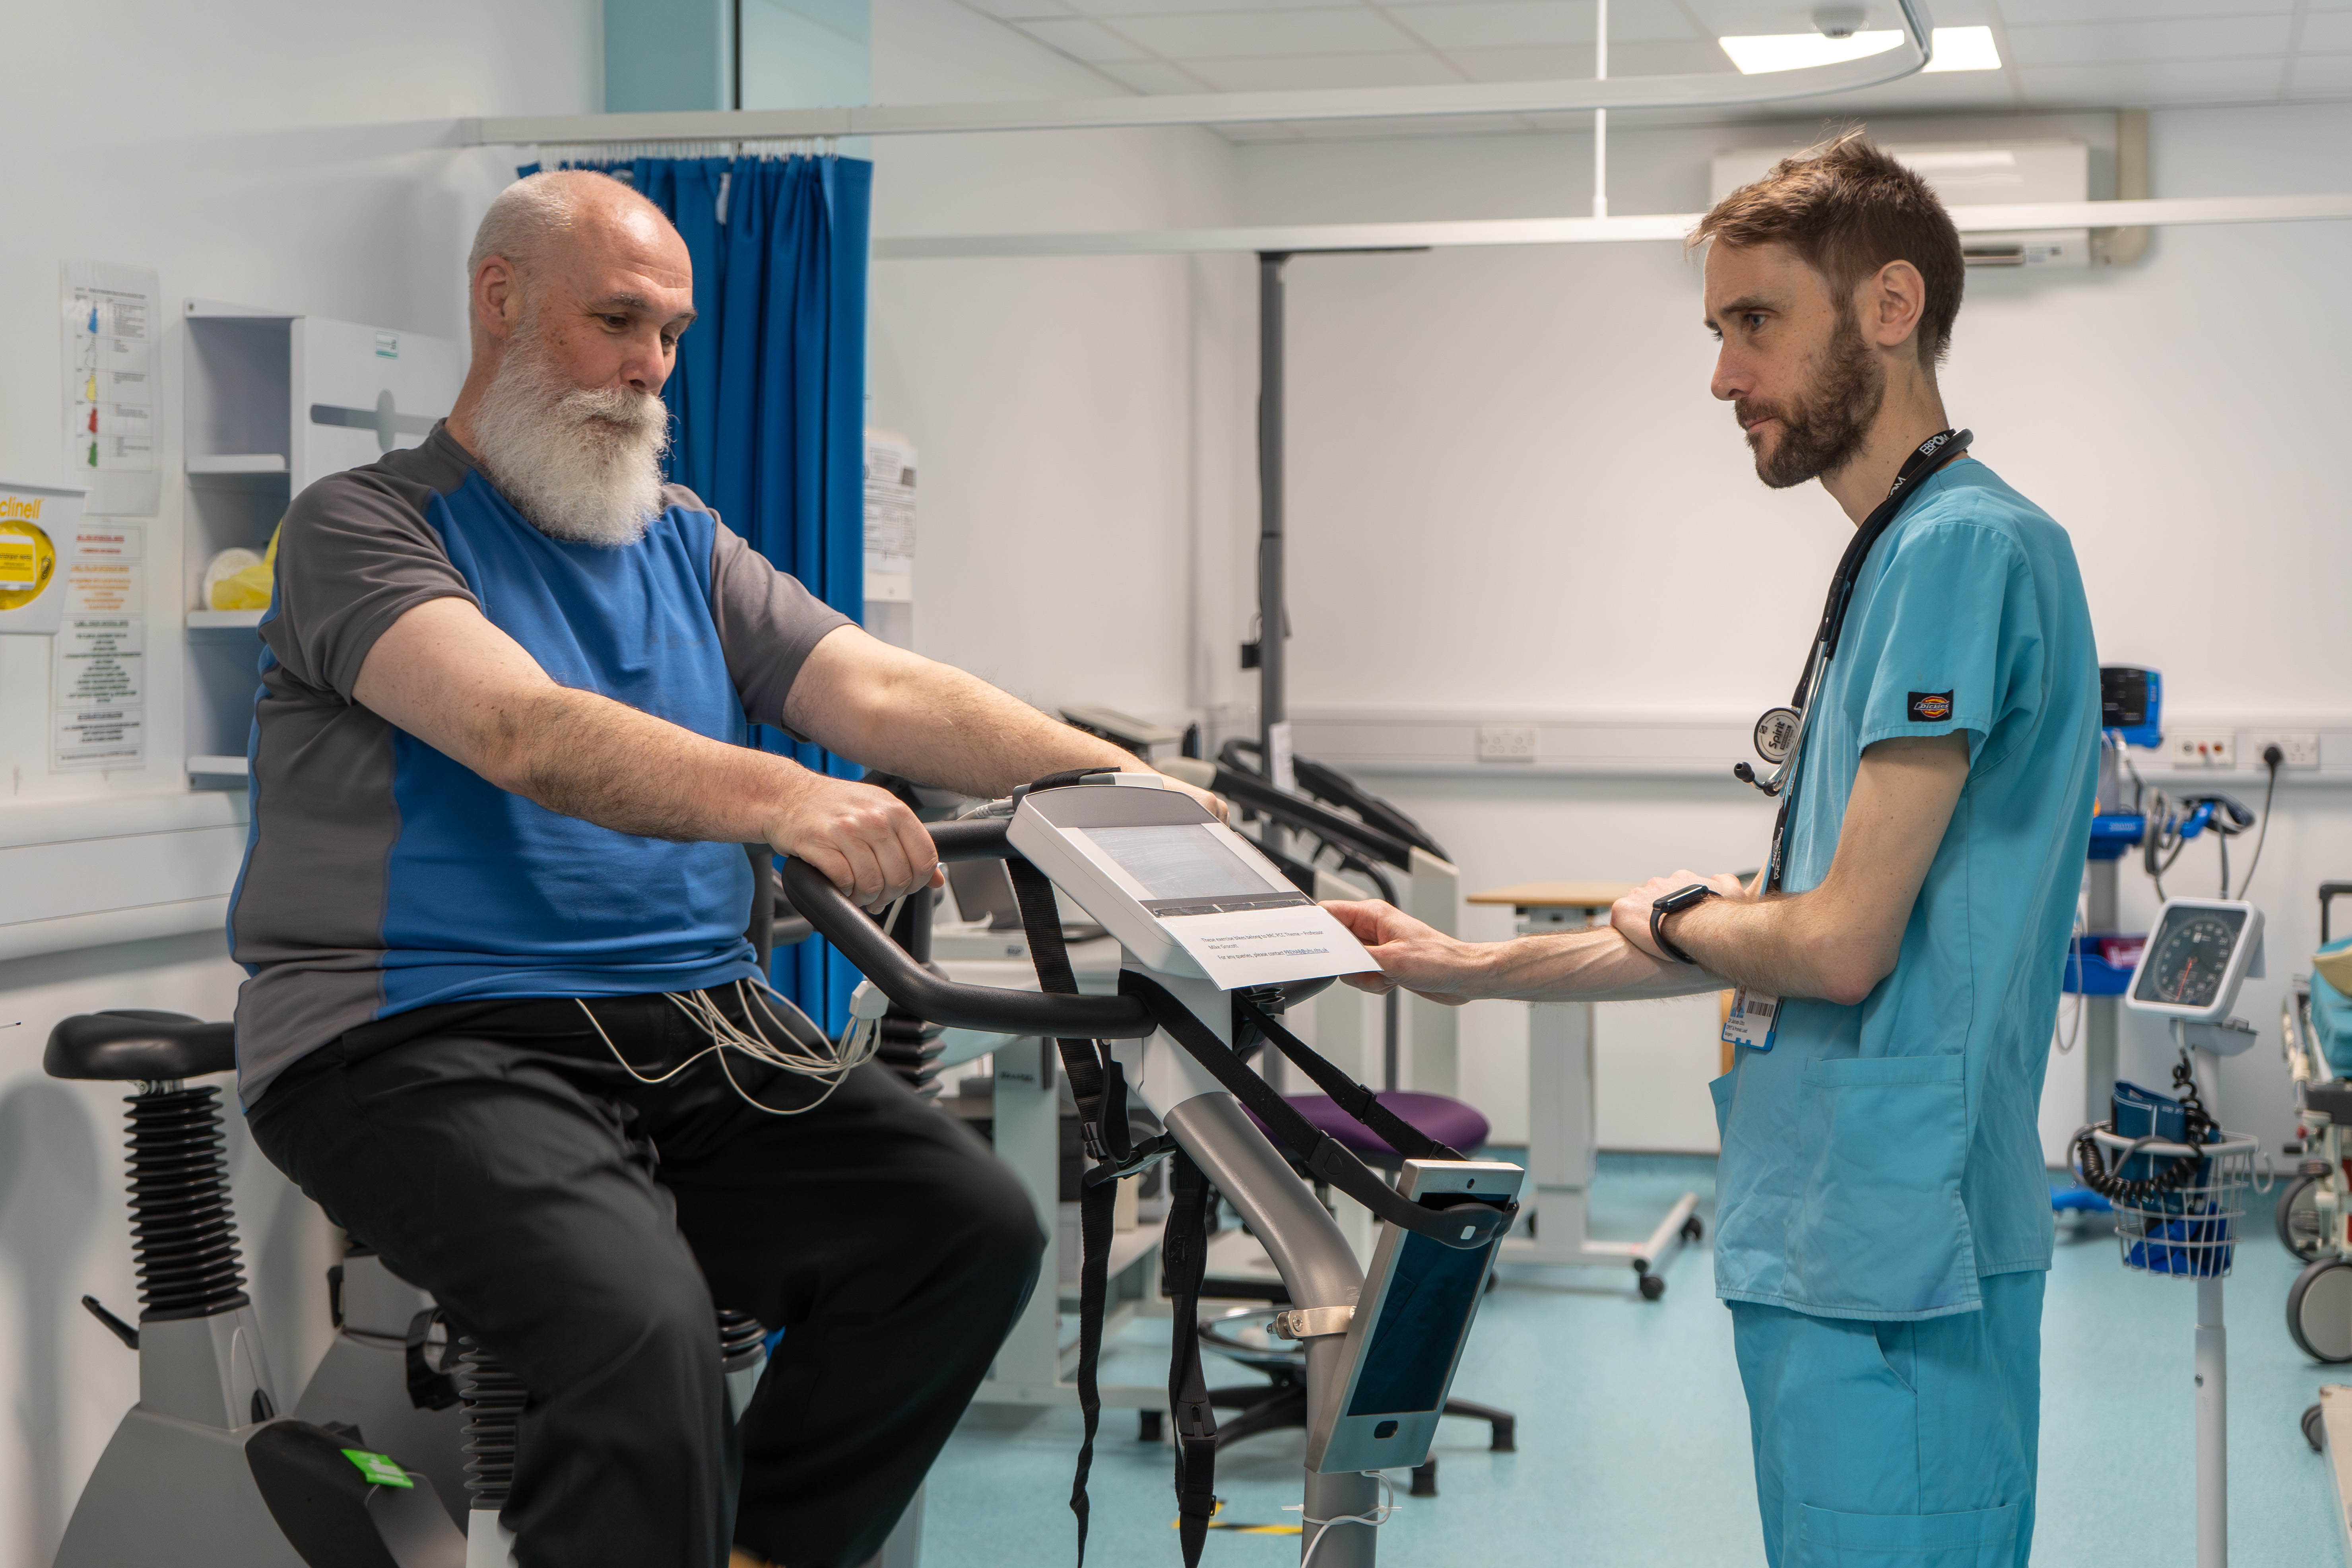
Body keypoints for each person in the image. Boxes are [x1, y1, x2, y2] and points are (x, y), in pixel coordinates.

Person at [231, 169, 1221, 1568]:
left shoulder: (682, 542)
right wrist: (785, 801)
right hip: (418, 1041)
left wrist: (1120, 785)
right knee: (638, 1331)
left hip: (691, 1034)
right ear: (500, 300)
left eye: (674, 338)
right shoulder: (363, 526)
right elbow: (522, 729)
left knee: (967, 1234)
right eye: (617, 322)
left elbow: (872, 687)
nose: (650, 369)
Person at [1327, 133, 2097, 1567]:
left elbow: (1832, 943)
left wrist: (1679, 913)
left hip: (1891, 1248)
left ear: (1887, 304)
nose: (1722, 376)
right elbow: (1778, 926)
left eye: (1755, 323)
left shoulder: (1957, 553)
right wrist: (1465, 969)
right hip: (1850, 1235)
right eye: (1716, 330)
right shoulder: (1899, 557)